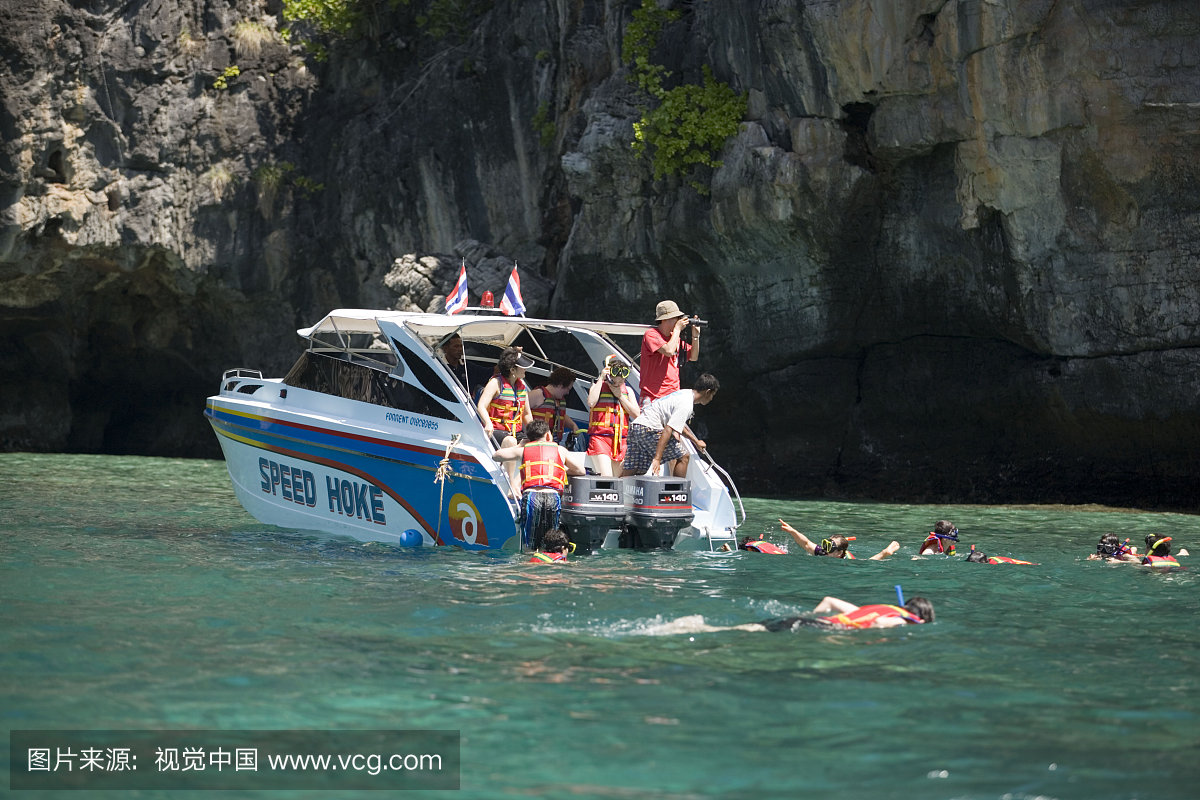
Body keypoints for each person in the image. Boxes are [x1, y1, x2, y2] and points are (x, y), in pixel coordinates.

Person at [493, 419, 584, 550]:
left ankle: (529, 563)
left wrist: (520, 446)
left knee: (530, 543)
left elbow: (496, 455)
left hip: (532, 498)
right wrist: (562, 468)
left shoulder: (524, 450)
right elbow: (580, 470)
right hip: (552, 497)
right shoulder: (560, 450)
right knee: (551, 541)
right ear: (548, 435)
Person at [621, 373, 719, 478]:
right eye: (712, 395)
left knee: (634, 468)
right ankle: (677, 492)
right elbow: (668, 429)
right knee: (683, 457)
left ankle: (618, 492)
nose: (711, 399)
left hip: (637, 427)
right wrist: (657, 458)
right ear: (707, 392)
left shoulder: (684, 393)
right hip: (649, 429)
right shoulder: (686, 405)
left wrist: (695, 442)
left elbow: (678, 425)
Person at [586, 356, 640, 476]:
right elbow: (591, 402)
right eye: (617, 380)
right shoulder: (598, 387)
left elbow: (637, 415)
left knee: (619, 477)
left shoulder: (628, 391)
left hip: (621, 441)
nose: (621, 382)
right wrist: (601, 378)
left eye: (623, 380)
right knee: (607, 477)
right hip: (600, 438)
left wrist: (620, 396)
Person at [640, 300, 701, 407]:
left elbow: (693, 357)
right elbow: (668, 351)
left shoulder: (674, 338)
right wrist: (677, 329)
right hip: (653, 397)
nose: (679, 321)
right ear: (664, 319)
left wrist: (695, 337)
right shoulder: (651, 334)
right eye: (676, 318)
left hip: (673, 396)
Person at [757, 596, 934, 631]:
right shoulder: (899, 620)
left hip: (811, 621)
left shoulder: (861, 611)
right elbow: (879, 623)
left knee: (755, 628)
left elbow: (829, 600)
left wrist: (810, 614)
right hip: (820, 629)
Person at [778, 519, 900, 560]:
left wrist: (884, 553)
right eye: (825, 544)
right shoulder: (823, 552)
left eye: (829, 547)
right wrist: (792, 530)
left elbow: (867, 562)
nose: (825, 549)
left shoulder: (847, 561)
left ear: (839, 553)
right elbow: (806, 543)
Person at [528, 367, 581, 442]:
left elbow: (560, 416)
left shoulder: (559, 400)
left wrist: (572, 425)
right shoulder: (538, 394)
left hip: (554, 442)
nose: (567, 393)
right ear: (560, 385)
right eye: (568, 389)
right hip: (537, 441)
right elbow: (522, 413)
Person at [964, 546, 1039, 565]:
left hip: (1020, 563)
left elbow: (1017, 562)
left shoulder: (995, 563)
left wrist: (1033, 564)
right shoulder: (989, 559)